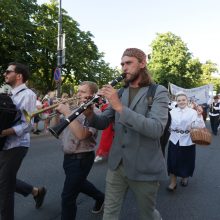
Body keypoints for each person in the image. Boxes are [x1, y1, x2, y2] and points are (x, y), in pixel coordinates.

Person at [84, 48, 169, 220]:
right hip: (117, 164)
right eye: (122, 64)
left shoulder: (157, 91)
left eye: (129, 63)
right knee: (109, 213)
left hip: (144, 166)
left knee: (148, 214)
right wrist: (90, 114)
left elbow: (156, 129)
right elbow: (103, 122)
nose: (124, 68)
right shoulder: (121, 92)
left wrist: (119, 107)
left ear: (142, 64)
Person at [0, 62, 47, 220]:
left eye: (8, 72)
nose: (5, 74)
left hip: (16, 145)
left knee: (4, 188)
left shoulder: (28, 95)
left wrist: (4, 132)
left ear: (18, 76)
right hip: (5, 143)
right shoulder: (11, 94)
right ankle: (36, 191)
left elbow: (27, 125)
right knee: (5, 180)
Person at [54, 81, 105, 220]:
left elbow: (82, 135)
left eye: (83, 92)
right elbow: (55, 129)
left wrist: (67, 112)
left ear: (92, 95)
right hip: (68, 157)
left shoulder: (95, 112)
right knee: (80, 184)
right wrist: (58, 113)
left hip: (82, 158)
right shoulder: (73, 108)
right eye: (78, 91)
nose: (78, 94)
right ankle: (101, 197)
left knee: (67, 197)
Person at [167, 92, 205, 191]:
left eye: (183, 100)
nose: (181, 102)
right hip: (174, 139)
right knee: (172, 161)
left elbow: (200, 126)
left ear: (187, 101)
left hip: (188, 140)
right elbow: (167, 124)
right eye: (179, 100)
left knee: (186, 161)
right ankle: (173, 182)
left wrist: (199, 115)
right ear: (176, 101)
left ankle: (185, 176)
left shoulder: (192, 112)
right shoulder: (172, 112)